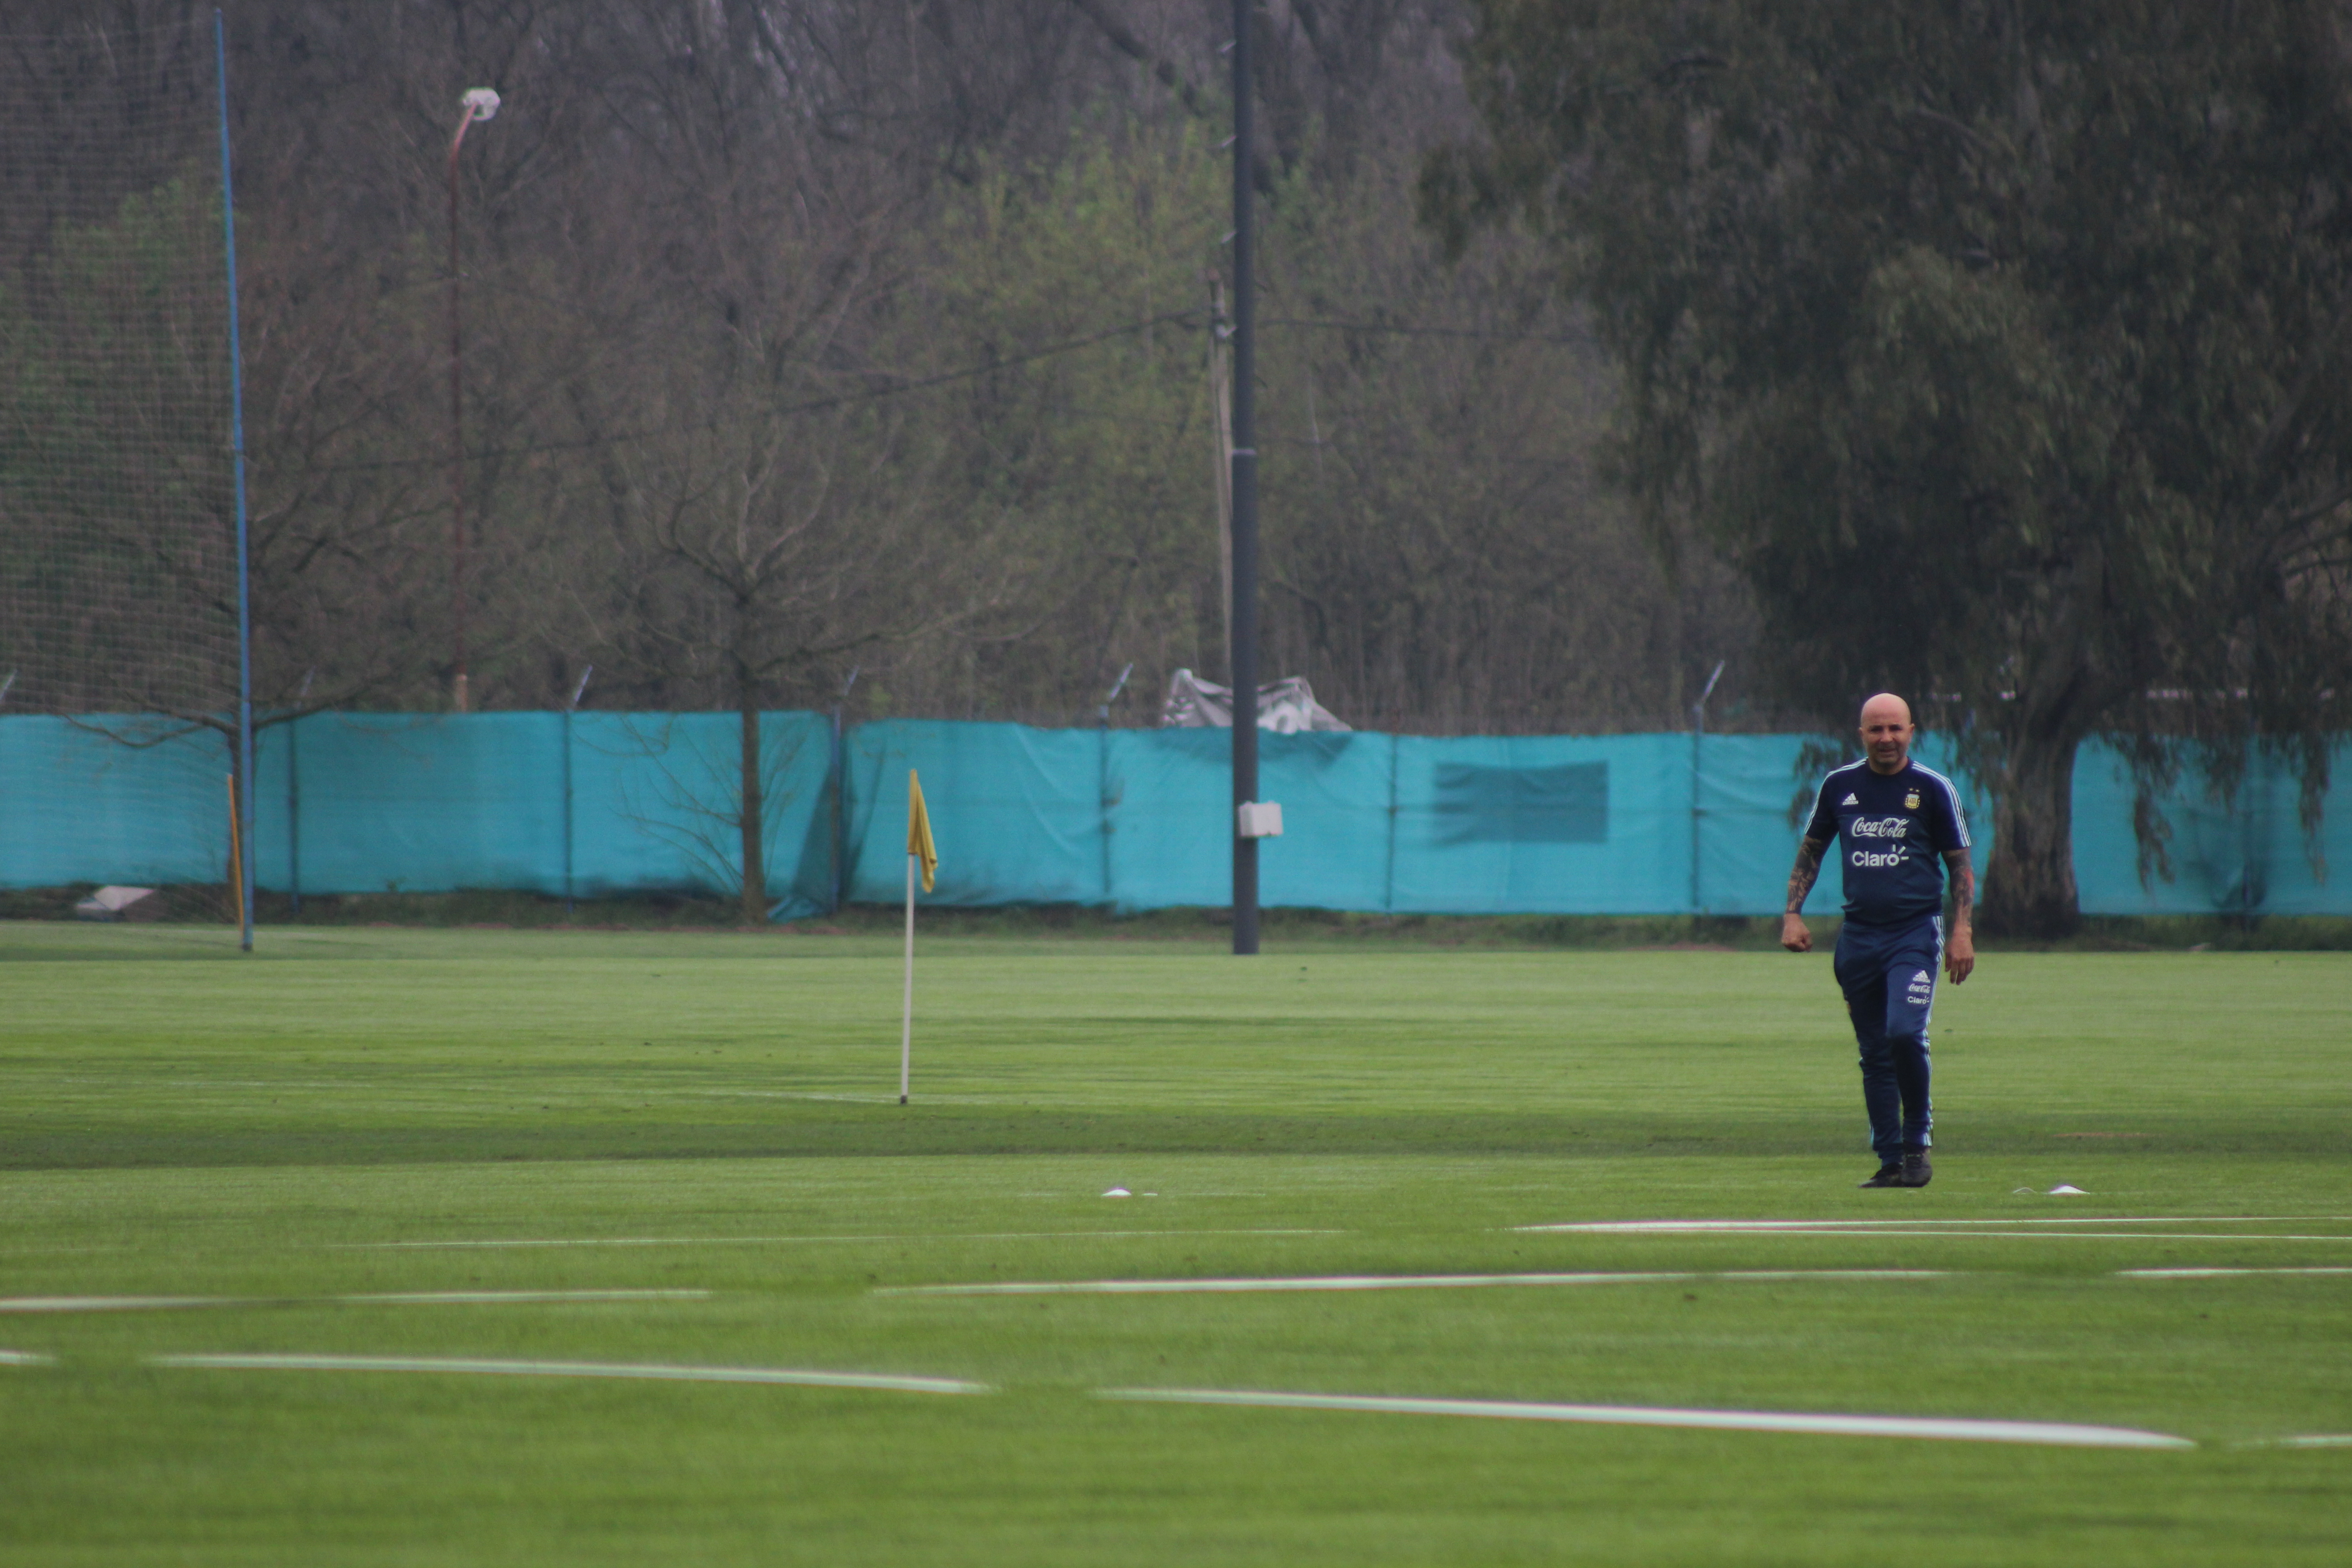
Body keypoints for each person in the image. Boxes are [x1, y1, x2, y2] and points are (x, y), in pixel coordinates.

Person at [1781, 693, 1975, 1189]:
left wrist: (1962, 930)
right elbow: (1811, 852)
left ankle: (1918, 1145)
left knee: (1905, 1034)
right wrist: (1792, 914)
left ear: (1912, 730)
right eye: (1876, 730)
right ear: (1861, 733)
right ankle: (1891, 1161)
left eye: (1895, 729)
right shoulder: (1839, 786)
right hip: (1858, 938)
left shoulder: (1933, 789)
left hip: (1914, 933)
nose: (1886, 739)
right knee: (1873, 1051)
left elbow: (1959, 864)